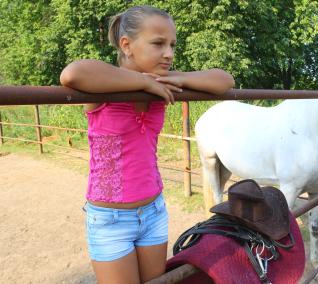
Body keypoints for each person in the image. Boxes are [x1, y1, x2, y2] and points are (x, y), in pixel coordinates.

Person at [60, 5, 234, 284]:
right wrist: (142, 81)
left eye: (172, 45)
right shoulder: (104, 85)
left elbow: (225, 80)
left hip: (153, 212)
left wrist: (175, 78)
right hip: (109, 220)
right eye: (158, 44)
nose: (169, 53)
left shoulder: (164, 82)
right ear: (126, 45)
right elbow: (72, 73)